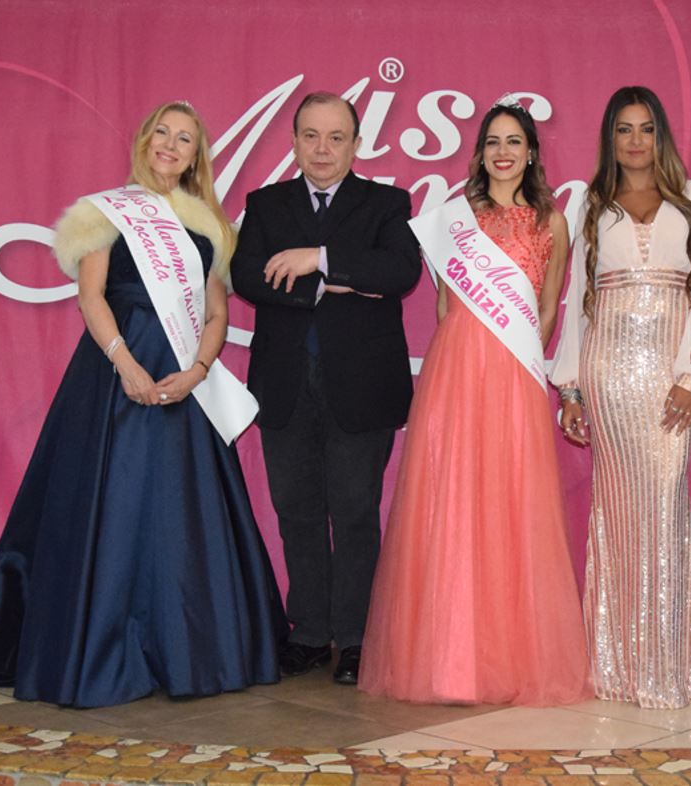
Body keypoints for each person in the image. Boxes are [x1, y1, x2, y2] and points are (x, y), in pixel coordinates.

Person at [0, 101, 287, 708]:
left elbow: (216, 312)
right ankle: (102, 649)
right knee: (112, 504)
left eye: (184, 139)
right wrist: (127, 364)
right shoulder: (104, 212)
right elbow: (92, 297)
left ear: (195, 157)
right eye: (162, 132)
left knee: (182, 515)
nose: (170, 145)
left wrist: (197, 371)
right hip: (115, 376)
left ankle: (192, 650)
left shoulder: (211, 225)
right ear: (143, 140)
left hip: (184, 381)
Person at [358, 100, 591, 706]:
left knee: (511, 502)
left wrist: (516, 360)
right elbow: (444, 306)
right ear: (480, 152)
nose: (503, 152)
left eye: (514, 141)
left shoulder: (552, 222)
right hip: (456, 367)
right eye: (493, 141)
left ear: (532, 152)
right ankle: (448, 661)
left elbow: (547, 308)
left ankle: (509, 658)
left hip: (515, 371)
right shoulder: (454, 217)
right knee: (453, 497)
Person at [230, 92, 421, 686]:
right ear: (293, 142)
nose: (322, 149)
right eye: (310, 135)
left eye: (336, 137)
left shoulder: (386, 203)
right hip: (285, 384)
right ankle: (310, 633)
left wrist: (318, 257)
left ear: (356, 144)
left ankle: (357, 638)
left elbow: (399, 272)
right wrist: (331, 282)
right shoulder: (266, 204)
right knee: (297, 512)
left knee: (356, 512)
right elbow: (246, 276)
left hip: (362, 387)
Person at [551, 86, 691, 709]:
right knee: (618, 513)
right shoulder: (590, 203)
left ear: (661, 135)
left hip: (668, 377)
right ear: (610, 138)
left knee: (664, 510)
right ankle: (617, 665)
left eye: (646, 128)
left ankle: (665, 667)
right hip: (608, 372)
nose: (635, 141)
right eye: (623, 129)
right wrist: (571, 386)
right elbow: (578, 302)